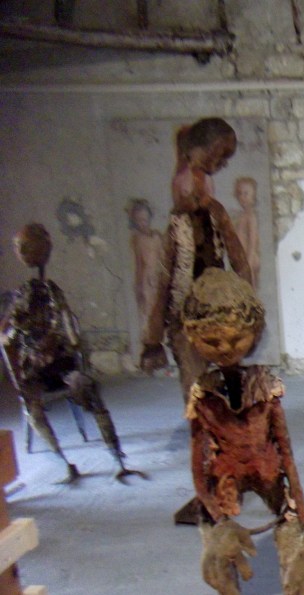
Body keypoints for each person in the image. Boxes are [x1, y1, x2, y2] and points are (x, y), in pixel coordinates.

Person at [183, 268, 304, 595]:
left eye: (236, 339)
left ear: (253, 333)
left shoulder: (265, 388)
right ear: (194, 337)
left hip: (270, 477)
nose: (225, 349)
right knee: (228, 578)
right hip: (225, 486)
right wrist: (217, 521)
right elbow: (199, 468)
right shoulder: (203, 396)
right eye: (212, 341)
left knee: (298, 577)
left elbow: (287, 455)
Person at [1, 223, 143, 482]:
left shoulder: (50, 291)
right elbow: (7, 337)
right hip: (34, 371)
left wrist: (64, 347)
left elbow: (69, 329)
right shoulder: (21, 296)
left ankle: (118, 458)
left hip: (61, 365)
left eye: (24, 246)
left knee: (88, 389)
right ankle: (64, 462)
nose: (20, 251)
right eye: (19, 247)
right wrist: (24, 361)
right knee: (33, 408)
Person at [140, 117, 252, 401]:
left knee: (232, 377)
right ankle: (203, 420)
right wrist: (153, 339)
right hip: (184, 315)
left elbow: (239, 260)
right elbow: (163, 280)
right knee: (196, 384)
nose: (222, 164)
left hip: (219, 308)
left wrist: (248, 307)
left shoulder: (217, 213)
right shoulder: (177, 225)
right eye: (220, 156)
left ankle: (231, 419)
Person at [126, 198, 164, 334]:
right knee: (147, 310)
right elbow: (138, 264)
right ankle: (150, 336)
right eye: (139, 220)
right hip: (146, 279)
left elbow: (163, 257)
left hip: (159, 276)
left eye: (145, 219)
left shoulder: (157, 236)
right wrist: (139, 285)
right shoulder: (137, 239)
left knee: (161, 308)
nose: (142, 223)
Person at [232, 177, 261, 289]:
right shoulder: (242, 215)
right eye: (239, 193)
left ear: (253, 196)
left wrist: (248, 262)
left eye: (246, 193)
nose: (242, 197)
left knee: (249, 288)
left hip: (249, 257)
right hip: (242, 257)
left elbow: (253, 241)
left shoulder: (251, 216)